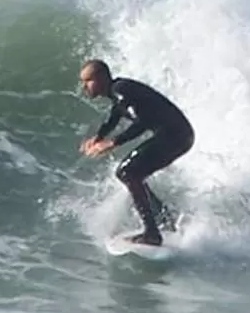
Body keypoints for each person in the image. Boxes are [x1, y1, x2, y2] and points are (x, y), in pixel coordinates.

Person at [78, 58, 194, 245]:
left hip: (175, 136)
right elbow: (115, 116)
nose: (84, 87)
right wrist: (99, 137)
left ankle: (152, 233)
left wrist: (113, 142)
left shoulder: (120, 90)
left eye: (87, 81)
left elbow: (143, 121)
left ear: (100, 78)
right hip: (178, 135)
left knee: (127, 172)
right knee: (133, 174)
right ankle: (163, 220)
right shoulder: (118, 92)